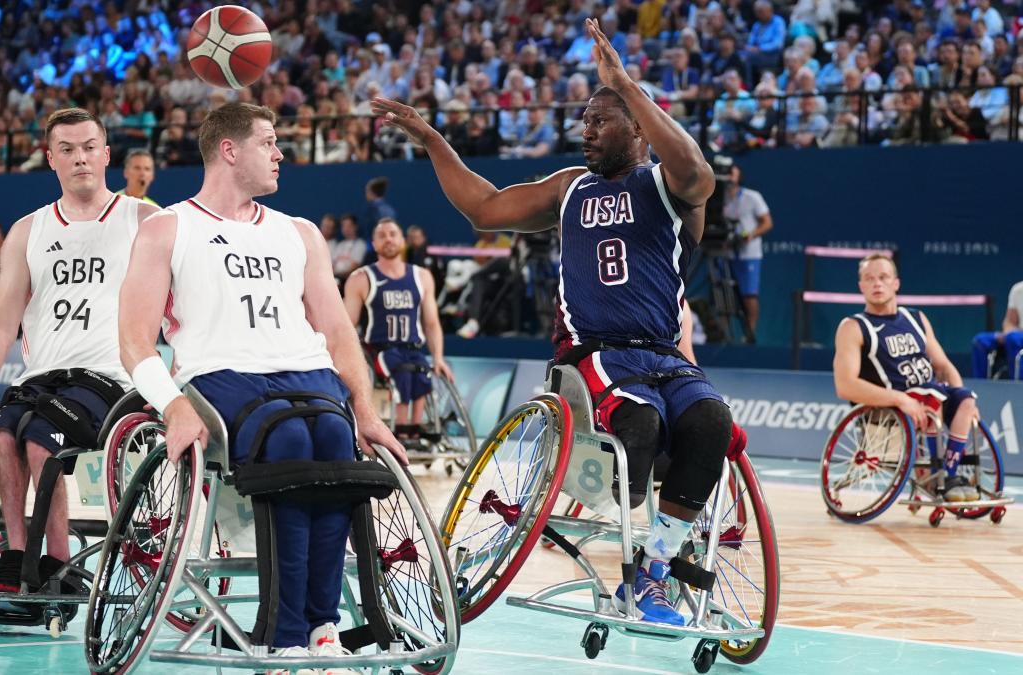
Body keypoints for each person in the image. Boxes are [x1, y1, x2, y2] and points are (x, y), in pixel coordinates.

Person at [372, 19, 733, 627]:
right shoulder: (570, 188)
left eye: (599, 120)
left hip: (662, 354)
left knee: (712, 420)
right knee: (640, 423)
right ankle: (638, 554)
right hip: (590, 354)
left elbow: (697, 169)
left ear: (638, 127)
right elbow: (485, 207)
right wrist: (434, 141)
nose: (585, 131)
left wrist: (624, 82)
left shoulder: (672, 189)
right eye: (584, 122)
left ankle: (654, 568)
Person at [118, 101, 405, 672]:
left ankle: (323, 624)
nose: (280, 154)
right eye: (269, 142)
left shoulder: (299, 233)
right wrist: (173, 406)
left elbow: (338, 331)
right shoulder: (167, 227)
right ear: (230, 151)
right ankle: (284, 630)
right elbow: (134, 342)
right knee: (291, 446)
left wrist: (365, 409)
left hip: (305, 370)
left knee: (333, 440)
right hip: (220, 374)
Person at [0, 108, 158, 617]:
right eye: (68, 150)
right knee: (6, 436)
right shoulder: (27, 231)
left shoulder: (143, 220)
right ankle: (16, 558)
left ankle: (58, 563)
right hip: (43, 378)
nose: (80, 158)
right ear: (50, 158)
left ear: (105, 153)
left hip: (111, 379)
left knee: (39, 441)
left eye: (89, 147)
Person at [833, 254, 980, 501]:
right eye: (869, 279)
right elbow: (845, 386)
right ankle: (936, 478)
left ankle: (949, 475)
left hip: (930, 394)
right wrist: (900, 399)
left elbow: (943, 365)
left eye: (883, 277)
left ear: (896, 284)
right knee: (932, 399)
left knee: (966, 400)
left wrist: (961, 396)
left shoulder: (916, 318)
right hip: (891, 407)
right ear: (861, 287)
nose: (877, 284)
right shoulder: (853, 327)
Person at [344, 218, 453, 438]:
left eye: (393, 234)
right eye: (382, 235)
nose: (388, 239)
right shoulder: (362, 278)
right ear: (374, 244)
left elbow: (431, 322)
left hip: (412, 347)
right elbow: (347, 324)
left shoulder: (422, 276)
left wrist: (438, 357)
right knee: (401, 371)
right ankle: (401, 429)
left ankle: (416, 428)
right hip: (379, 350)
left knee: (422, 370)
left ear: (403, 241)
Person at [722, 163, 772, 339]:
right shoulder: (720, 198)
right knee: (724, 294)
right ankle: (725, 336)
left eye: (732, 174)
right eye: (727, 174)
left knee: (749, 296)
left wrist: (751, 235)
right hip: (727, 253)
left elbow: (767, 223)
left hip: (749, 254)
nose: (730, 177)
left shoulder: (752, 197)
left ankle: (750, 334)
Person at [970, 280, 1023, 379]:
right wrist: (1007, 333)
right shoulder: (1018, 289)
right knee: (981, 340)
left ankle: (1017, 387)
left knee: (1013, 338)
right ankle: (981, 386)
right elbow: (1009, 322)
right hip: (1016, 336)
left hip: (1017, 338)